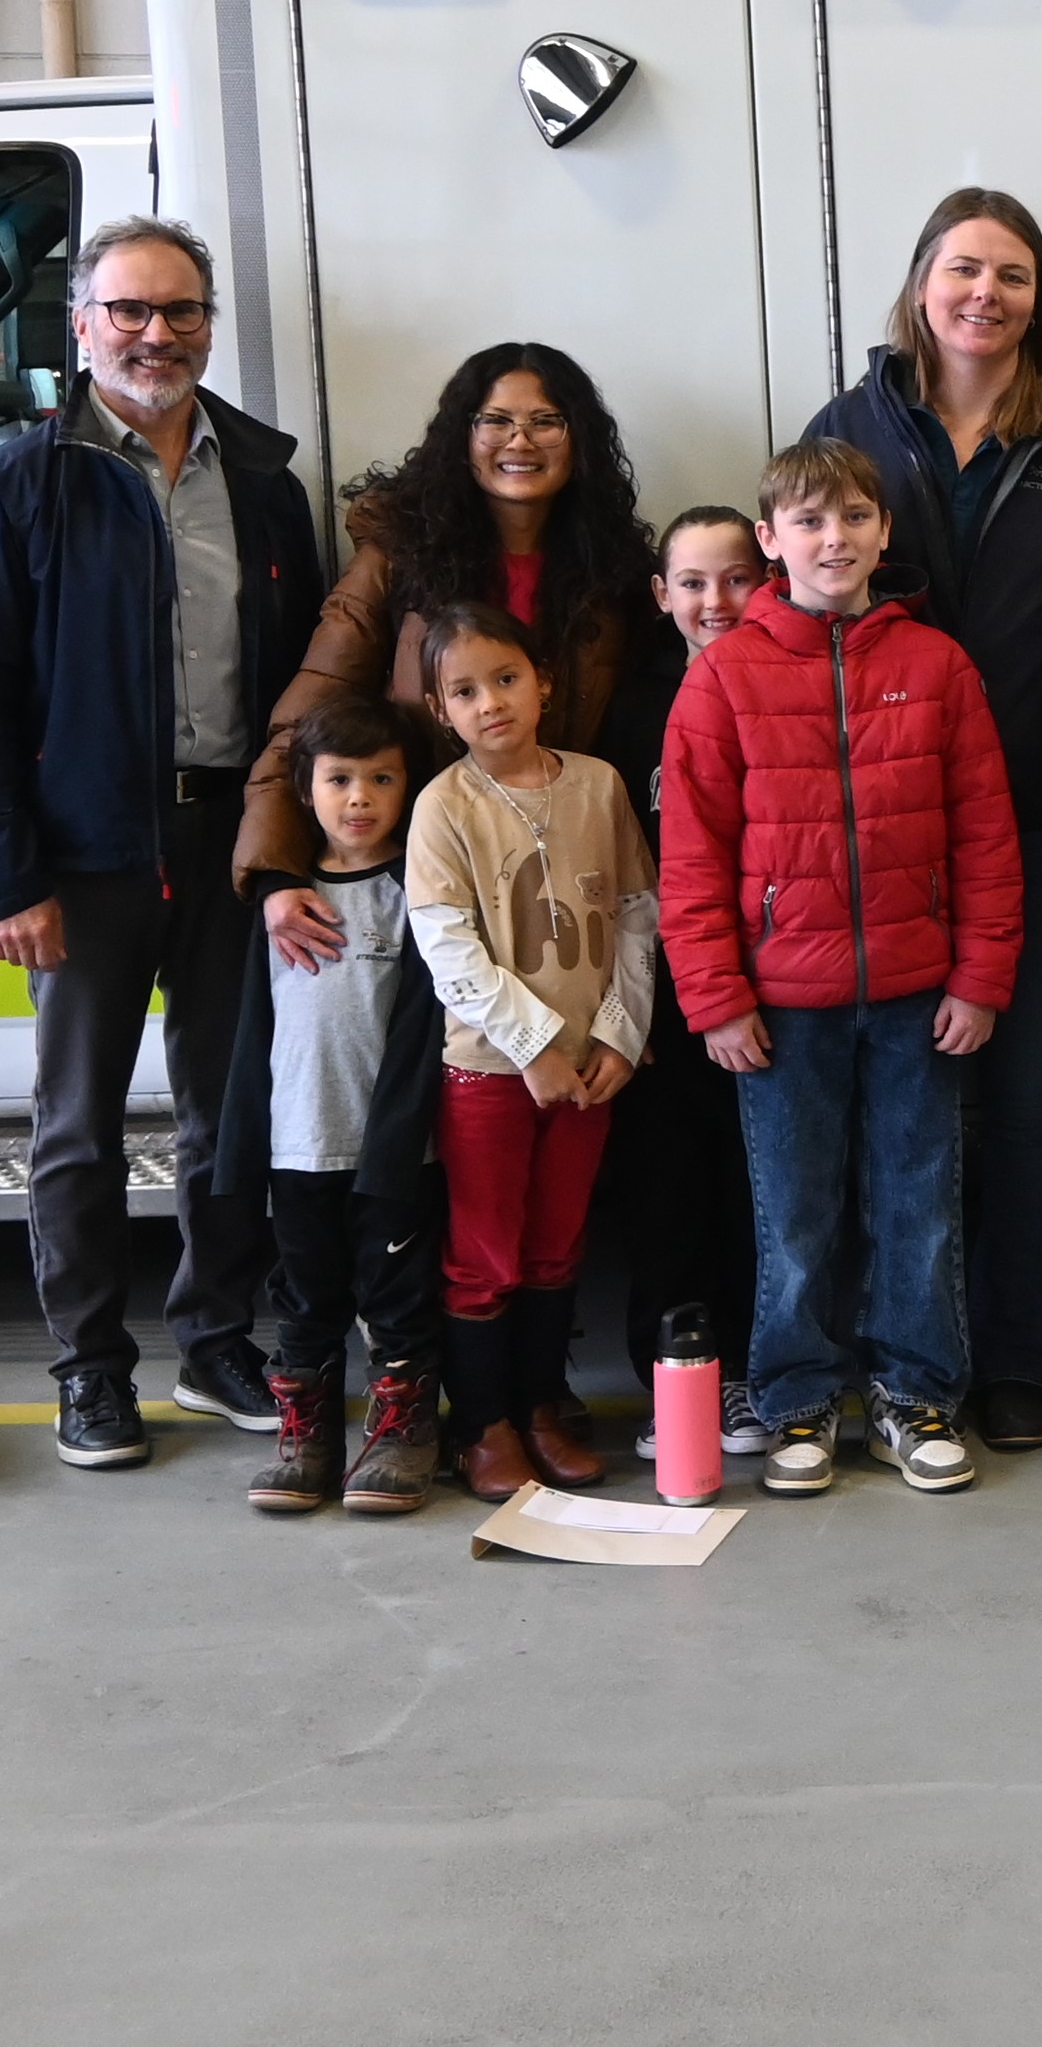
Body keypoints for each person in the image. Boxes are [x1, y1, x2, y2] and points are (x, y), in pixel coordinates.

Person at [0, 216, 323, 1468]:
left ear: (211, 324)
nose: (160, 334)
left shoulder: (263, 480)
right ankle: (90, 1370)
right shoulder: (17, 483)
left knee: (231, 1108)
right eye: (132, 311)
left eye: (184, 311)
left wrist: (292, 850)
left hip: (229, 846)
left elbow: (306, 691)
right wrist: (7, 873)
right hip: (83, 854)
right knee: (80, 1125)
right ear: (82, 325)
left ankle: (213, 1342)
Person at [237, 342, 662, 1455]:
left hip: (570, 882)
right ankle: (454, 1406)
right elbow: (317, 707)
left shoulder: (614, 565)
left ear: (582, 439)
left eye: (547, 419)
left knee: (559, 1196)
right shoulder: (398, 555)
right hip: (430, 890)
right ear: (458, 434)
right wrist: (281, 870)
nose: (520, 441)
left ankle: (541, 1394)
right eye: (494, 418)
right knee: (436, 1176)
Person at [806, 190, 1042, 1455]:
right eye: (963, 269)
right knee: (900, 1104)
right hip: (884, 821)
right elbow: (806, 618)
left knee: (1024, 1099)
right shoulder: (849, 429)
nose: (985, 296)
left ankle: (1014, 1361)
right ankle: (910, 1359)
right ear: (918, 284)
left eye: (1012, 276)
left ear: (1038, 300)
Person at [662, 437, 1024, 1500]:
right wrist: (718, 998)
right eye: (810, 522)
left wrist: (980, 975)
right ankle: (798, 1402)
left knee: (920, 1204)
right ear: (770, 541)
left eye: (854, 518)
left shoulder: (936, 666)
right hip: (780, 1008)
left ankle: (916, 1398)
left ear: (882, 533)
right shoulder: (725, 678)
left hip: (919, 994)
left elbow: (986, 838)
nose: (835, 539)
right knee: (795, 1214)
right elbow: (691, 857)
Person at [403, 602, 660, 1499]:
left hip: (592, 1068)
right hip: (490, 1071)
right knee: (484, 1255)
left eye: (505, 679)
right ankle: (484, 1427)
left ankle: (543, 1408)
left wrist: (621, 1036)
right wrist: (536, 1046)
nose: (491, 704)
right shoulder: (444, 807)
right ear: (441, 709)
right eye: (464, 691)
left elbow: (636, 913)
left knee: (557, 1246)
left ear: (542, 680)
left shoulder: (597, 784)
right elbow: (448, 947)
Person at [207, 695, 448, 1515]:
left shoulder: (415, 891)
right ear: (305, 788)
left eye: (381, 779)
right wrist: (246, 1147)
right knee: (305, 1297)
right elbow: (252, 1036)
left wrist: (401, 1140)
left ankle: (403, 1431)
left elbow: (422, 1030)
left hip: (390, 1155)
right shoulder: (282, 899)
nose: (359, 799)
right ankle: (307, 1435)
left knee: (396, 1297)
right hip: (296, 1146)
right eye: (340, 779)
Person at [605, 506, 776, 1465]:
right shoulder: (633, 709)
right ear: (662, 596)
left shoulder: (789, 681)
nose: (717, 601)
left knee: (756, 1186)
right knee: (666, 1186)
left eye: (738, 578)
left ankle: (751, 1373)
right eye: (694, 584)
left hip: (776, 980)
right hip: (667, 988)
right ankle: (674, 1370)